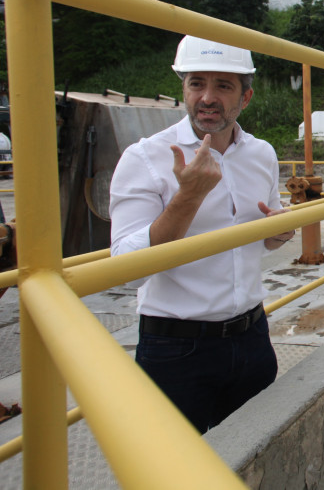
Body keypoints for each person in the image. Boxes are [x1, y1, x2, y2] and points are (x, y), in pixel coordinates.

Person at [109, 35, 295, 433]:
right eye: (197, 83)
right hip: (176, 348)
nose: (207, 97)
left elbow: (263, 238)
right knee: (171, 470)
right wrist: (188, 197)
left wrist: (279, 233)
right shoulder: (144, 157)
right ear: (184, 89)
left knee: (253, 456)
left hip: (252, 337)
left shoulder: (261, 154)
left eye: (223, 86)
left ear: (245, 98)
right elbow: (126, 270)